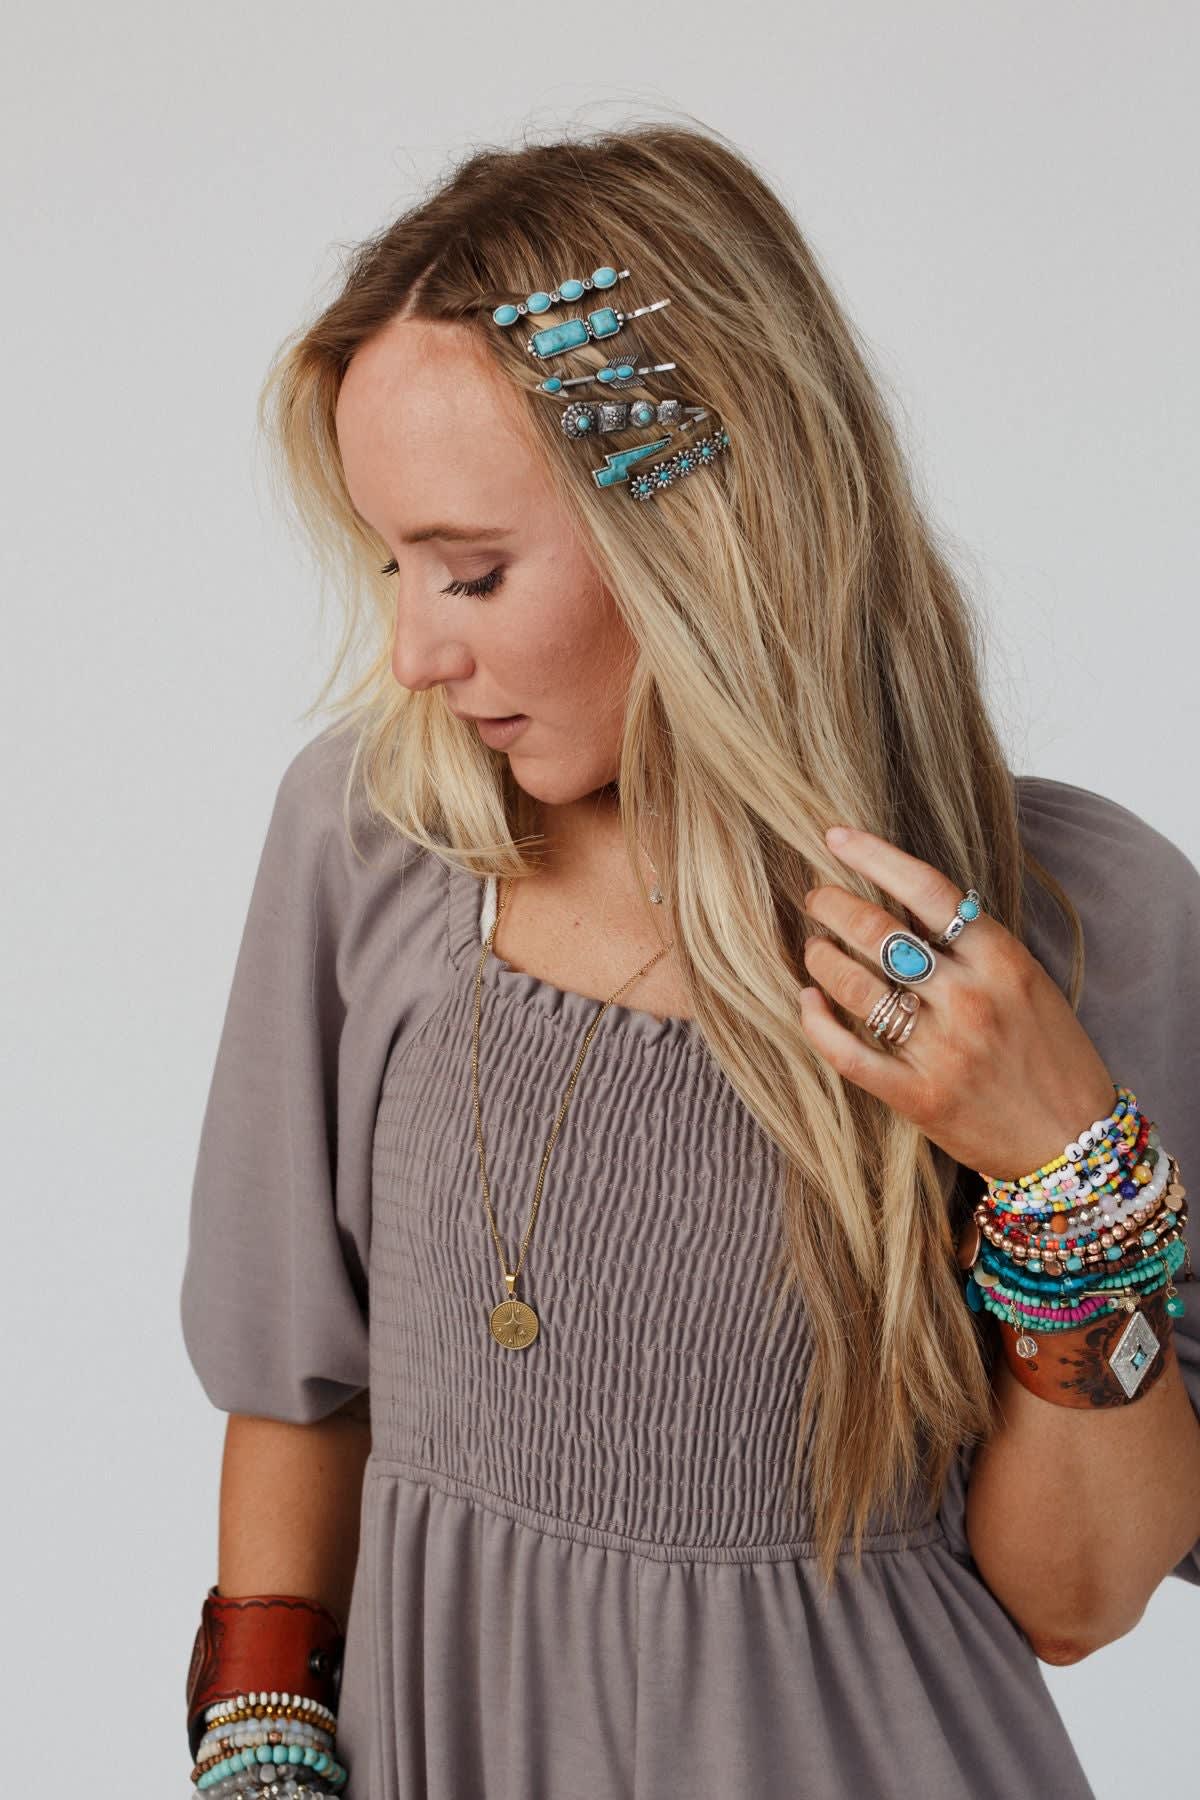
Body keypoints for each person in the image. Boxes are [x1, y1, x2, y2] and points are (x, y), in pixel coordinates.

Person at [178, 120, 1200, 1800]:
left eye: (474, 571)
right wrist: (259, 1760)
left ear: (703, 528)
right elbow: (301, 1389)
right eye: (392, 563)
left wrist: (1062, 1178)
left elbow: (1074, 1604)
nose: (415, 650)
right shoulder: (374, 845)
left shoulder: (1068, 926)